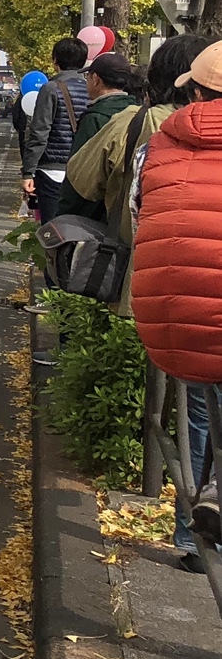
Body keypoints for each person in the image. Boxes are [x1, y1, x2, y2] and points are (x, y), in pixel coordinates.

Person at [129, 37, 222, 567]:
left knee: (197, 413)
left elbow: (142, 220)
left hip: (169, 316)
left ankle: (191, 533)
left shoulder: (156, 144)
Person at [21, 34, 91, 233]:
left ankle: (53, 264)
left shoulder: (51, 89)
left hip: (52, 169)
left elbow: (39, 132)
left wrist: (28, 171)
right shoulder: (92, 89)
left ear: (55, 61)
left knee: (53, 230)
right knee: (78, 230)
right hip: (83, 170)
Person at [69, 51, 139, 155]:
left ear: (96, 79)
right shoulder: (139, 111)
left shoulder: (94, 117)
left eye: (88, 75)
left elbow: (78, 164)